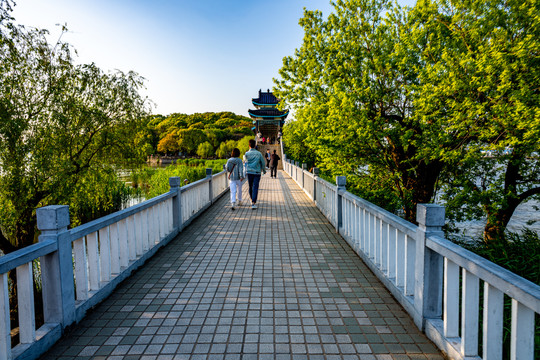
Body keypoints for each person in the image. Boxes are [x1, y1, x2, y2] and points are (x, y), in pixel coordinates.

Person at [243, 139, 266, 209]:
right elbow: (263, 162)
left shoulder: (246, 154)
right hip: (257, 172)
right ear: (255, 145)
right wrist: (264, 170)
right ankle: (253, 202)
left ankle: (251, 199)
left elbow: (244, 162)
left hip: (249, 172)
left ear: (249, 145)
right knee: (255, 187)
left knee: (250, 186)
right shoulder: (259, 153)